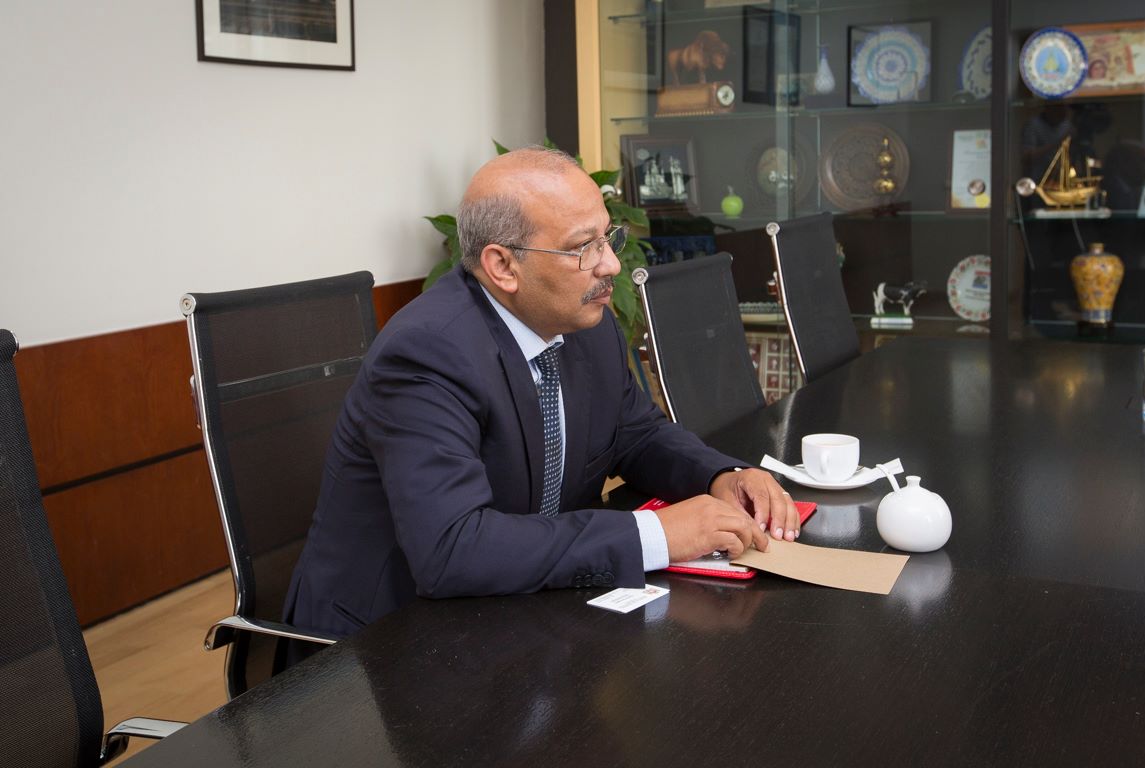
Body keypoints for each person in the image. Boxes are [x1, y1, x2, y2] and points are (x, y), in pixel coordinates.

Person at [284, 147, 798, 637]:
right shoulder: (428, 354)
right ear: (503, 266)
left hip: (525, 609)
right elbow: (452, 548)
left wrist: (719, 476)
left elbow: (636, 433)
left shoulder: (585, 323)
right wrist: (657, 535)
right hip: (384, 645)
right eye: (583, 248)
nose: (611, 265)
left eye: (607, 238)